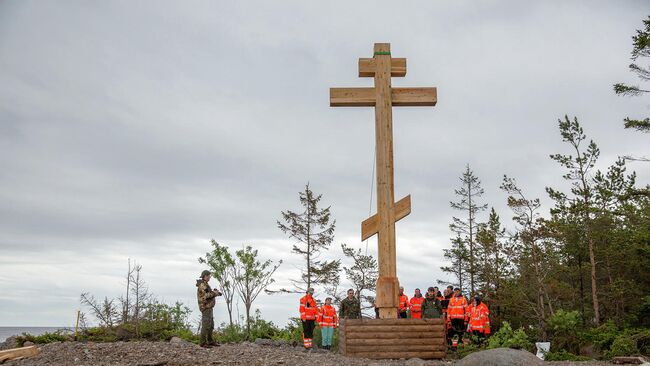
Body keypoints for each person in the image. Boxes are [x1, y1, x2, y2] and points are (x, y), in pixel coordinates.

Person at [196, 270, 222, 348]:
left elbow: (208, 293)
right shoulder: (202, 285)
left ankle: (210, 341)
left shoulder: (205, 284)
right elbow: (206, 295)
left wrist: (214, 292)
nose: (210, 277)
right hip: (205, 307)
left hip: (209, 307)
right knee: (206, 325)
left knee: (210, 325)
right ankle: (202, 343)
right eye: (209, 276)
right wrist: (215, 293)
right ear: (205, 276)